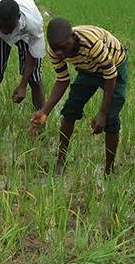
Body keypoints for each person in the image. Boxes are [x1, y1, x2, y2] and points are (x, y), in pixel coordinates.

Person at [31, 18, 128, 175]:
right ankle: (60, 162)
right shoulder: (54, 50)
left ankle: (109, 170)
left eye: (64, 47)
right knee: (70, 110)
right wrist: (44, 112)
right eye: (56, 49)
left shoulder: (92, 44)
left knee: (110, 118)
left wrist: (102, 112)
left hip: (114, 66)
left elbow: (110, 75)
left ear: (73, 38)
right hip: (87, 69)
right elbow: (62, 80)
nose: (60, 53)